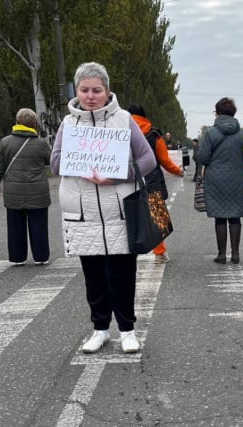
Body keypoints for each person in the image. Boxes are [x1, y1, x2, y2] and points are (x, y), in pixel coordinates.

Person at [50, 62, 157, 354]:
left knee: (122, 276)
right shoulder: (68, 125)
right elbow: (56, 162)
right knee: (94, 277)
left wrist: (117, 174)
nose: (90, 95)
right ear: (77, 91)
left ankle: (127, 330)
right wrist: (80, 165)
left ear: (107, 91)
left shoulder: (124, 120)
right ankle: (100, 329)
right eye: (84, 90)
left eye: (96, 89)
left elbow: (147, 160)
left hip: (120, 212)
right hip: (83, 215)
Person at [0, 108, 52, 266]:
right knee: (39, 226)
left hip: (13, 192)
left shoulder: (5, 142)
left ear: (17, 123)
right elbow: (50, 161)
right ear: (34, 124)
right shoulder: (41, 144)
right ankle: (41, 257)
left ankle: (18, 258)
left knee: (15, 225)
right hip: (38, 192)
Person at [127, 104, 184, 264]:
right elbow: (164, 161)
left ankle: (126, 253)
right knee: (157, 217)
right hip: (152, 181)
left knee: (127, 217)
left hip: (127, 181)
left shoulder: (121, 132)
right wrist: (177, 171)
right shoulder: (154, 135)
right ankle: (159, 253)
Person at [195, 97, 243, 264]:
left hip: (216, 178)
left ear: (217, 113)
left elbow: (203, 157)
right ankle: (236, 253)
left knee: (220, 217)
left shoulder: (211, 133)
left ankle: (222, 254)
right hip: (237, 177)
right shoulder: (241, 133)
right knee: (235, 216)